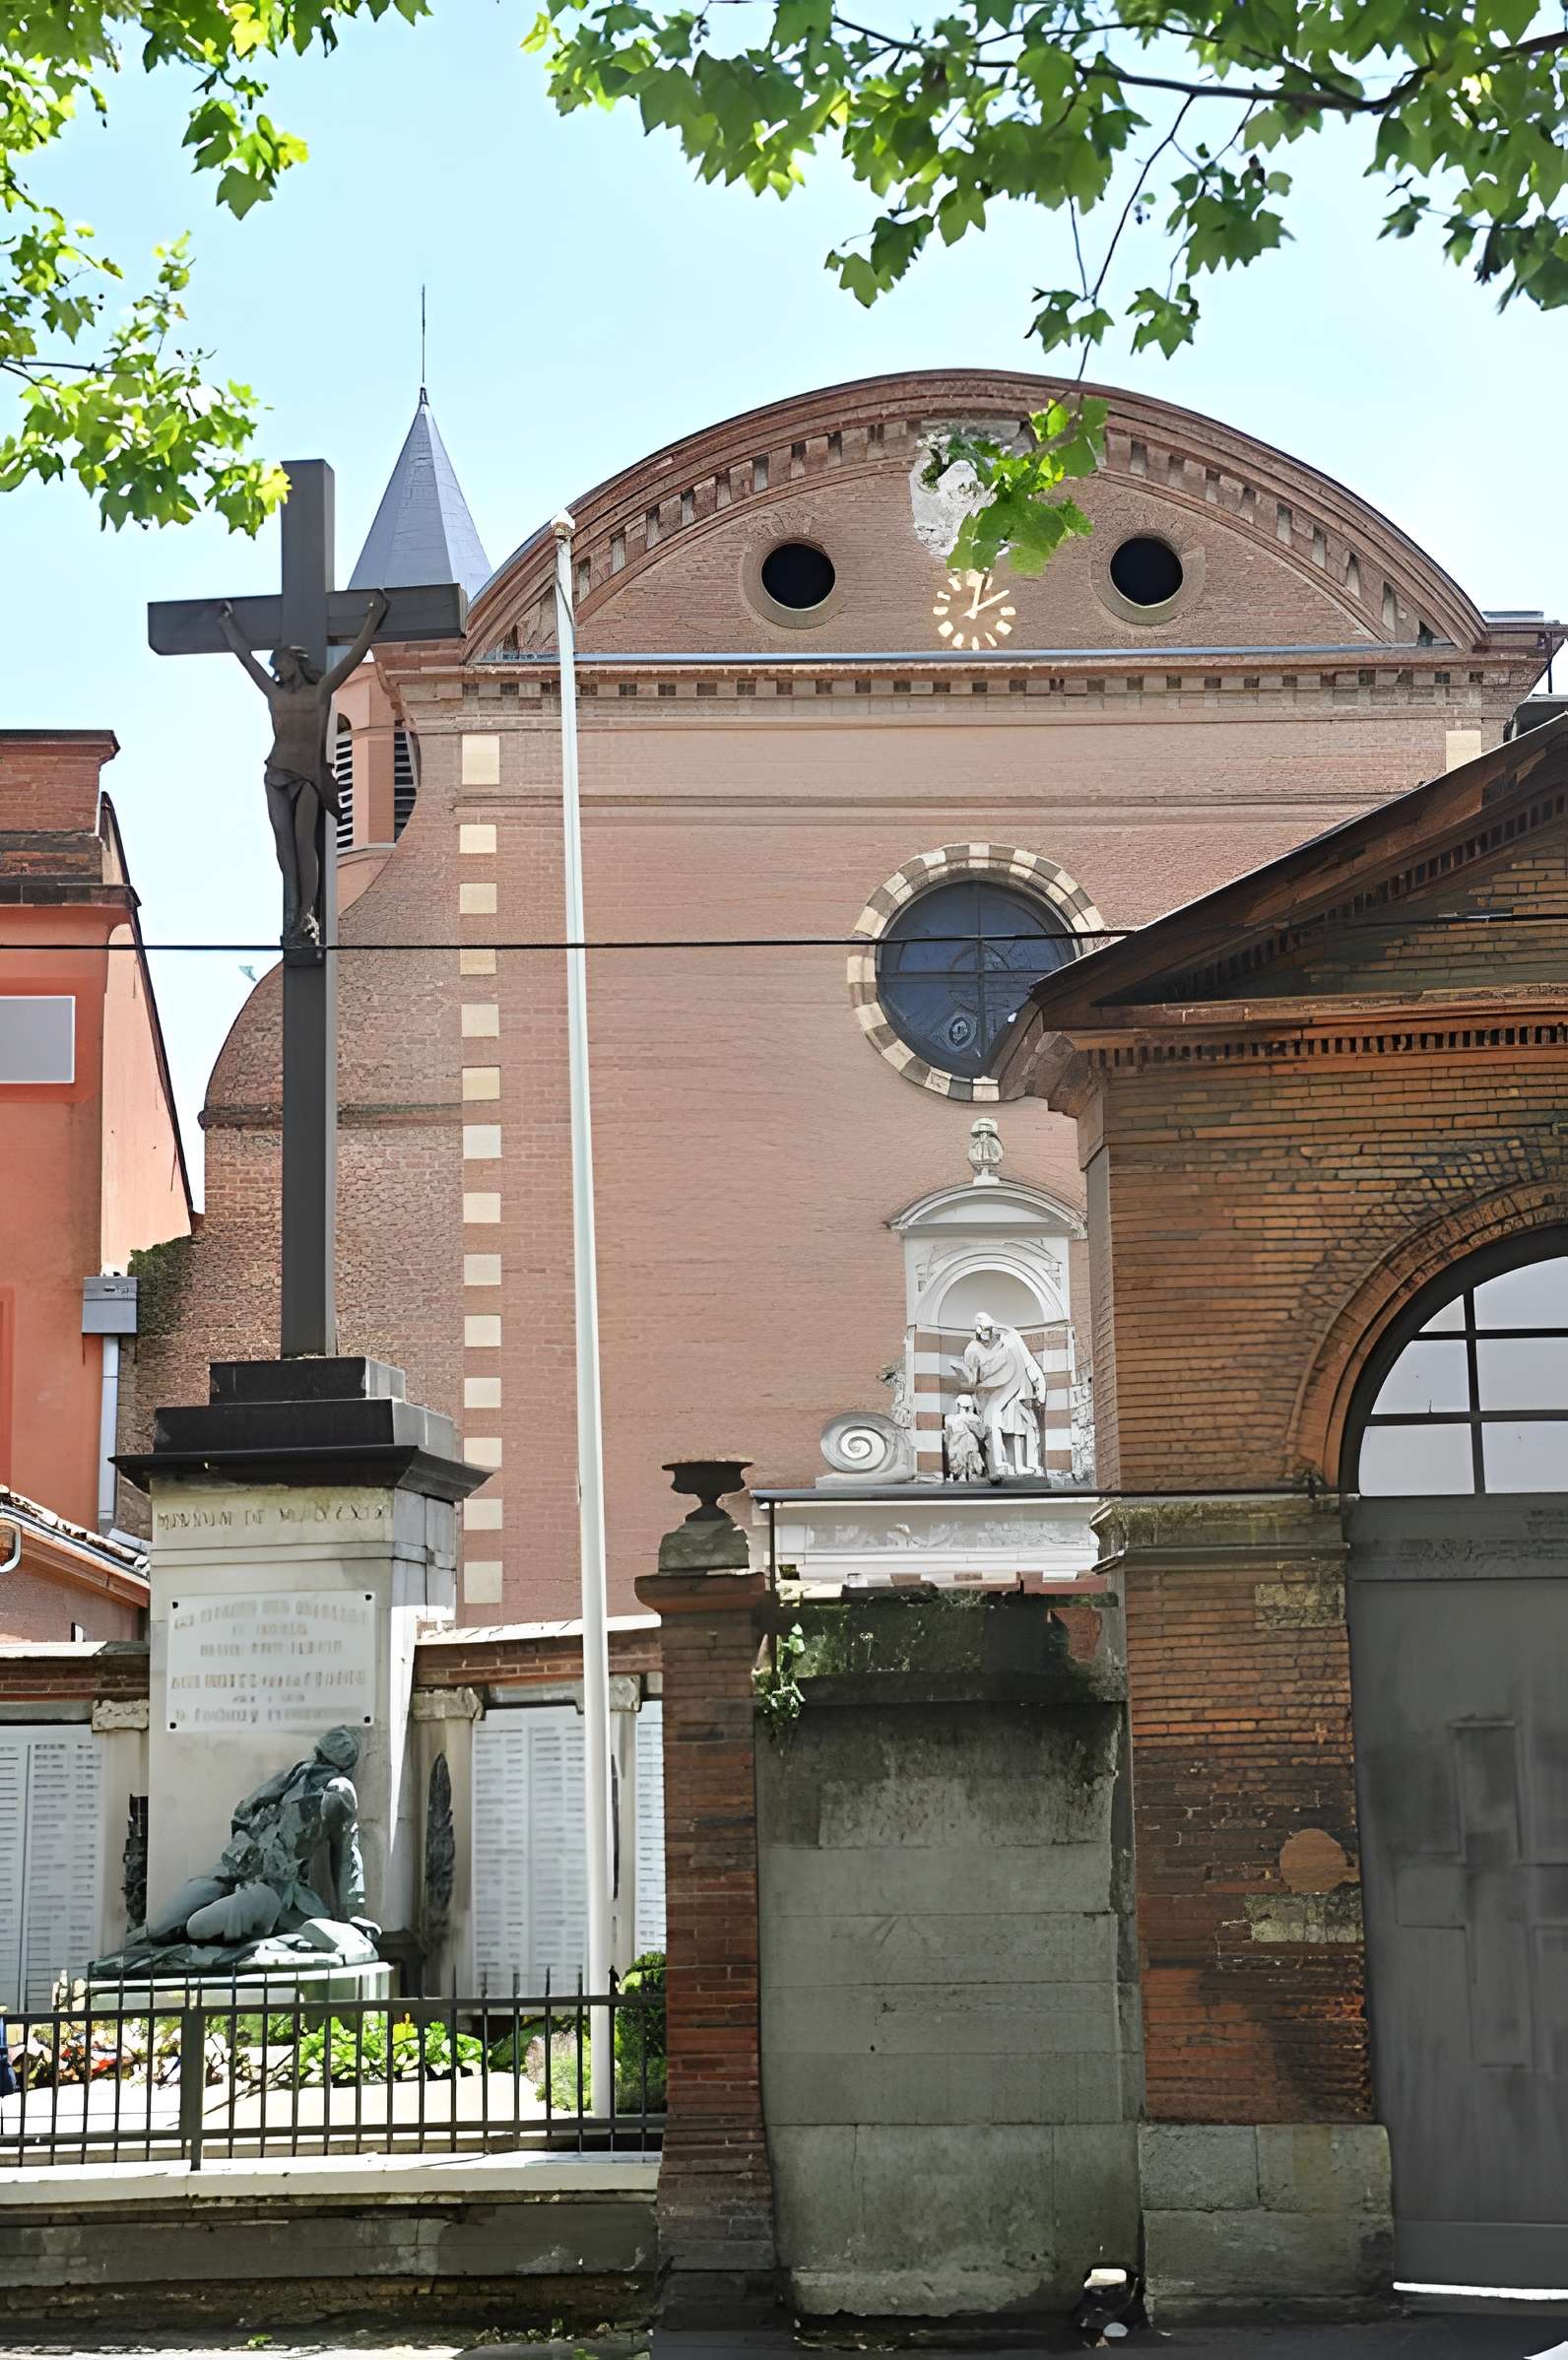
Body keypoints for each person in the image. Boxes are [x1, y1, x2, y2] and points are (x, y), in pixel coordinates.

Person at [218, 592, 388, 948]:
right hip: (276, 774)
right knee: (284, 849)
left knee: (302, 842)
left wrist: (373, 619)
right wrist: (226, 624)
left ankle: (306, 913)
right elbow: (246, 661)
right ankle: (294, 911)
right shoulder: (274, 694)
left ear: (294, 662)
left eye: (280, 663)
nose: (276, 669)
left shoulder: (319, 692)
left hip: (308, 776)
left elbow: (353, 658)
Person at [955, 1312, 1050, 1478]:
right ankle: (999, 1465)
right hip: (996, 1397)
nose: (987, 1334)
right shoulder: (975, 1348)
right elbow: (981, 1374)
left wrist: (1038, 1390)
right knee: (998, 1426)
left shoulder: (1007, 1344)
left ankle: (1024, 1465)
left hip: (1011, 1395)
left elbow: (1024, 1365)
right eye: (983, 1330)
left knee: (1022, 1428)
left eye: (988, 1329)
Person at [945, 1393, 987, 1481]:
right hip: (964, 1441)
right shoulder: (972, 1418)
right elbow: (980, 1434)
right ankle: (968, 1474)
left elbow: (948, 1434)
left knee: (962, 1457)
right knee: (966, 1456)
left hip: (961, 1441)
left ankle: (964, 1474)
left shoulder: (953, 1418)